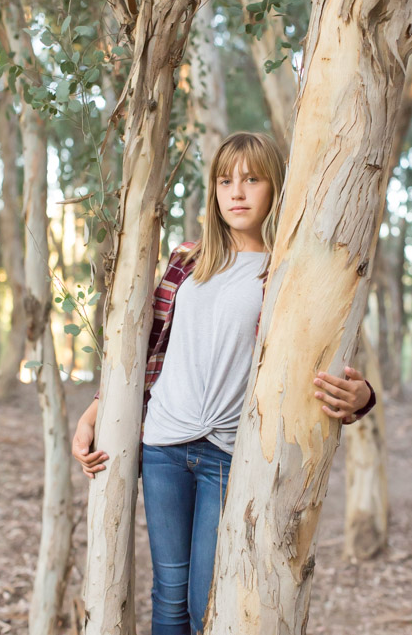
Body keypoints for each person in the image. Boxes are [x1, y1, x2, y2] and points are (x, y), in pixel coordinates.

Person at [72, 131, 376, 635]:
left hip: (228, 454)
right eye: (225, 180)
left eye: (252, 179)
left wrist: (361, 396)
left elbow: (326, 362)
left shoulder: (286, 274)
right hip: (163, 446)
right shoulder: (185, 262)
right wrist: (91, 417)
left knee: (205, 600)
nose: (237, 192)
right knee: (167, 597)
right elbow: (148, 351)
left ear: (275, 187)